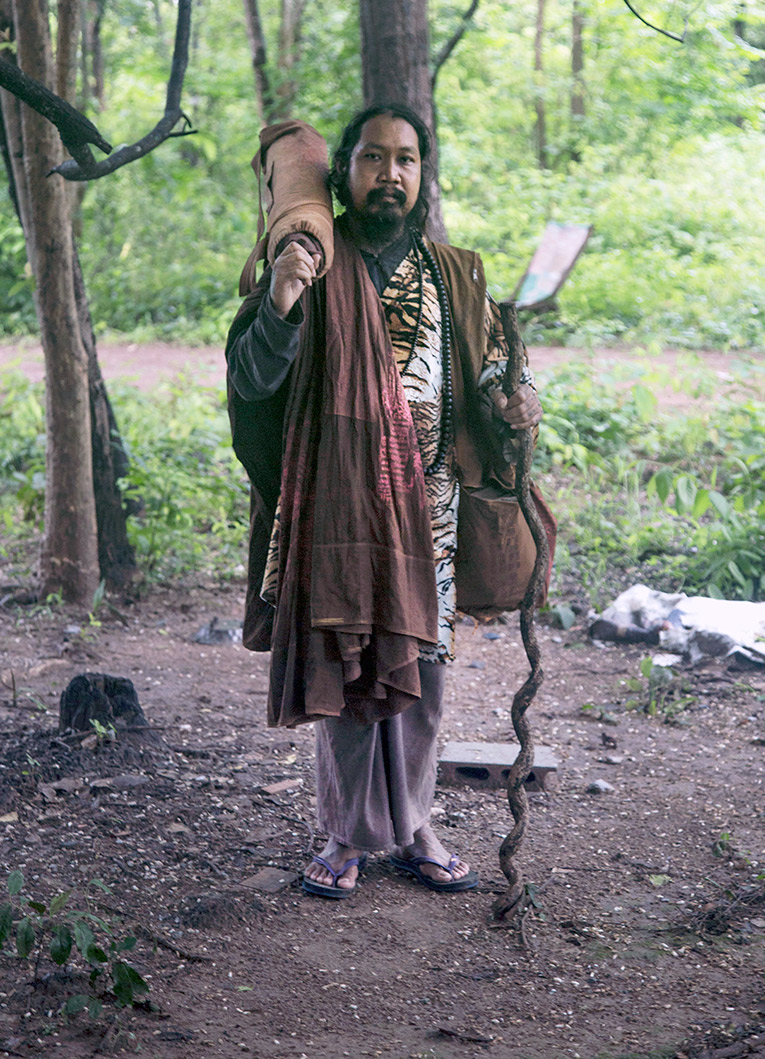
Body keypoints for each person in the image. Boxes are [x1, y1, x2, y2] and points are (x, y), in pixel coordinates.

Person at [227, 105, 544, 899]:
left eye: (406, 159)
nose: (390, 174)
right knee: (345, 673)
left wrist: (515, 406)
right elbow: (251, 383)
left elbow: (488, 391)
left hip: (429, 516)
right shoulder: (308, 256)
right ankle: (346, 832)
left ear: (422, 174)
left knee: (422, 679)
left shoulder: (454, 275)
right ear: (344, 168)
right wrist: (284, 295)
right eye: (374, 157)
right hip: (332, 511)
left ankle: (413, 824)